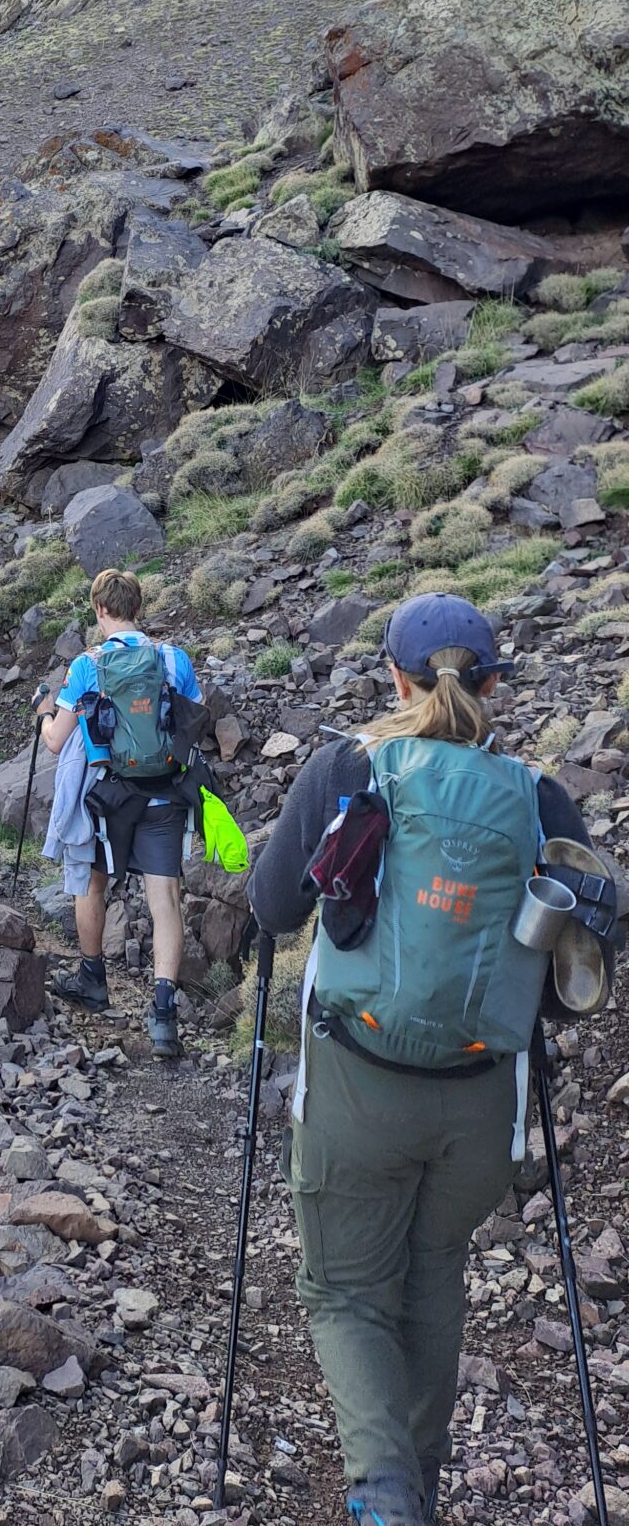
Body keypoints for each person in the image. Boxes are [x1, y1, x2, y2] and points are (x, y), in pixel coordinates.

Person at [248, 593, 595, 1526]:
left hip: (359, 1086)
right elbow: (574, 979)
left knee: (346, 1289)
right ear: (493, 688)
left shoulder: (350, 769)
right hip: (481, 1099)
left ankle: (385, 1490)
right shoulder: (538, 797)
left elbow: (275, 906)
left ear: (394, 680)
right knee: (435, 1266)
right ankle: (421, 1488)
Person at [35, 568, 203, 1057]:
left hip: (108, 795)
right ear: (138, 608)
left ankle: (92, 977)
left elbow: (55, 741)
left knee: (92, 879)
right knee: (164, 896)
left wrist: (45, 711)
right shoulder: (174, 659)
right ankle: (164, 1011)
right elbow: (194, 719)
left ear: (100, 610)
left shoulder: (87, 666)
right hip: (166, 793)